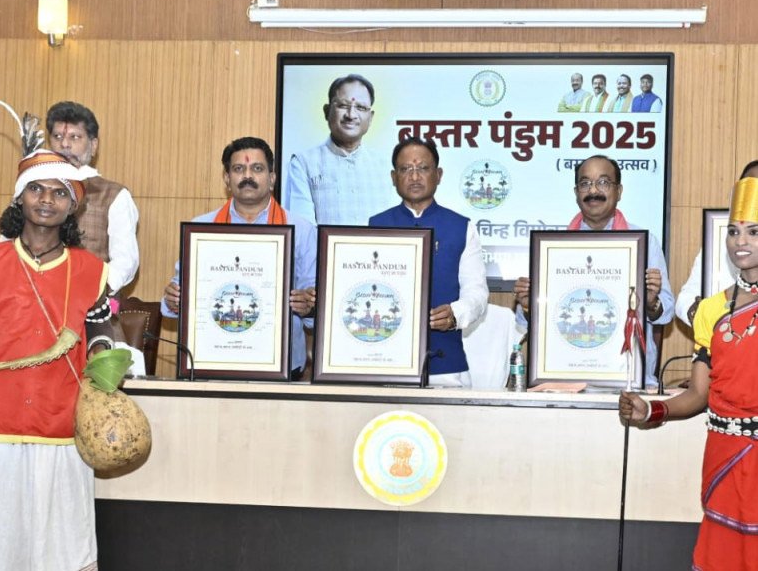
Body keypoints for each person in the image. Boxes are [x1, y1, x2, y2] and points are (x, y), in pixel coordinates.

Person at [0, 149, 114, 571]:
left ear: (72, 206)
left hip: (65, 430)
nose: (46, 199)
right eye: (36, 188)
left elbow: (101, 332)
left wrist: (102, 353)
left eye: (59, 193)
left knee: (65, 550)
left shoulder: (92, 269)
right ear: (19, 197)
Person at [618, 175, 758, 570]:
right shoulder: (711, 310)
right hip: (724, 457)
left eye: (754, 231)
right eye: (734, 231)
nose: (741, 241)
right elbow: (699, 394)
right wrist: (652, 410)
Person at [162, 137, 317, 378]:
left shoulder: (302, 229)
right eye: (238, 169)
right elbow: (176, 297)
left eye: (257, 168)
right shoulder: (201, 228)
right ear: (226, 178)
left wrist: (308, 305)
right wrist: (174, 299)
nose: (248, 176)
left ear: (272, 178)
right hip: (214, 362)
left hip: (282, 368)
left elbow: (315, 303)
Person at [513, 155, 674, 385]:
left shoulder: (645, 244)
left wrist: (651, 302)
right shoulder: (552, 249)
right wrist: (529, 304)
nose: (593, 191)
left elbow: (666, 313)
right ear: (576, 192)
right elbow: (526, 322)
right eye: (585, 183)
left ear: (619, 191)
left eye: (603, 182)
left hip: (627, 380)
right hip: (565, 379)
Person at [368, 137, 489, 387]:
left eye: (423, 168)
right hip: (385, 365)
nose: (414, 176)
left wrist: (455, 314)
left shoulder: (461, 227)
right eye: (405, 169)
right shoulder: (376, 226)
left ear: (439, 175)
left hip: (446, 368)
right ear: (393, 177)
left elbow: (476, 292)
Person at [46, 100, 139, 295]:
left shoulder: (113, 195)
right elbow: (7, 247)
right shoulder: (32, 191)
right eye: (57, 136)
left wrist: (92, 292)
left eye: (75, 137)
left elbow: (125, 262)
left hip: (91, 301)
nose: (64, 144)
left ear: (93, 145)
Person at [286, 74, 398, 225]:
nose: (351, 115)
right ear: (327, 111)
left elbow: (396, 227)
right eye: (343, 106)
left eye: (360, 107)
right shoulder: (303, 164)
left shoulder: (385, 167)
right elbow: (302, 230)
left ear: (371, 117)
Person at [675, 160, 758, 328]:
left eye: (753, 232)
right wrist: (709, 321)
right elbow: (685, 300)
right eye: (749, 185)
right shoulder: (723, 238)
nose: (741, 241)